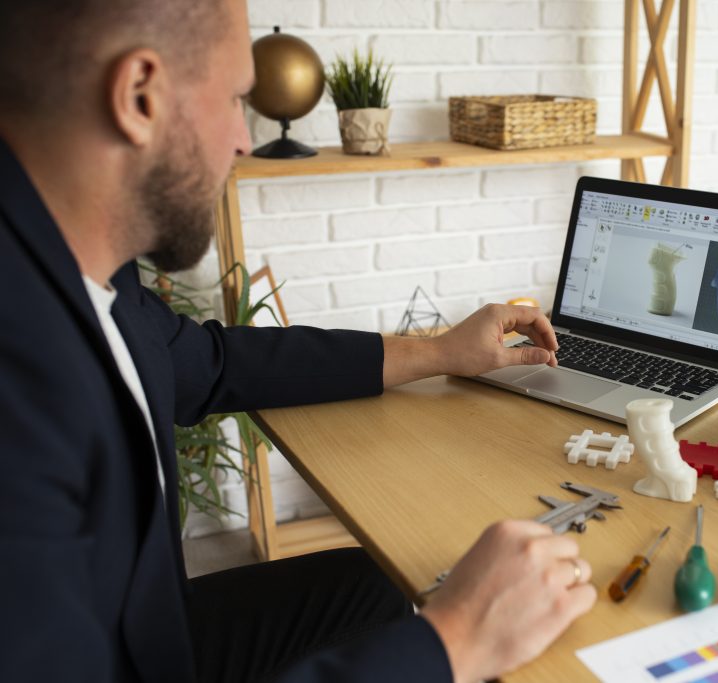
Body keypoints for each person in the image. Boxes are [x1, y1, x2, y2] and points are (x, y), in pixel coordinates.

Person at [0, 1, 598, 681]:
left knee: (371, 589)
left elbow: (209, 362)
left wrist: (439, 353)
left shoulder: (88, 268)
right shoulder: (19, 383)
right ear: (139, 95)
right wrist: (457, 639)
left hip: (144, 622)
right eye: (234, 99)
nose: (242, 139)